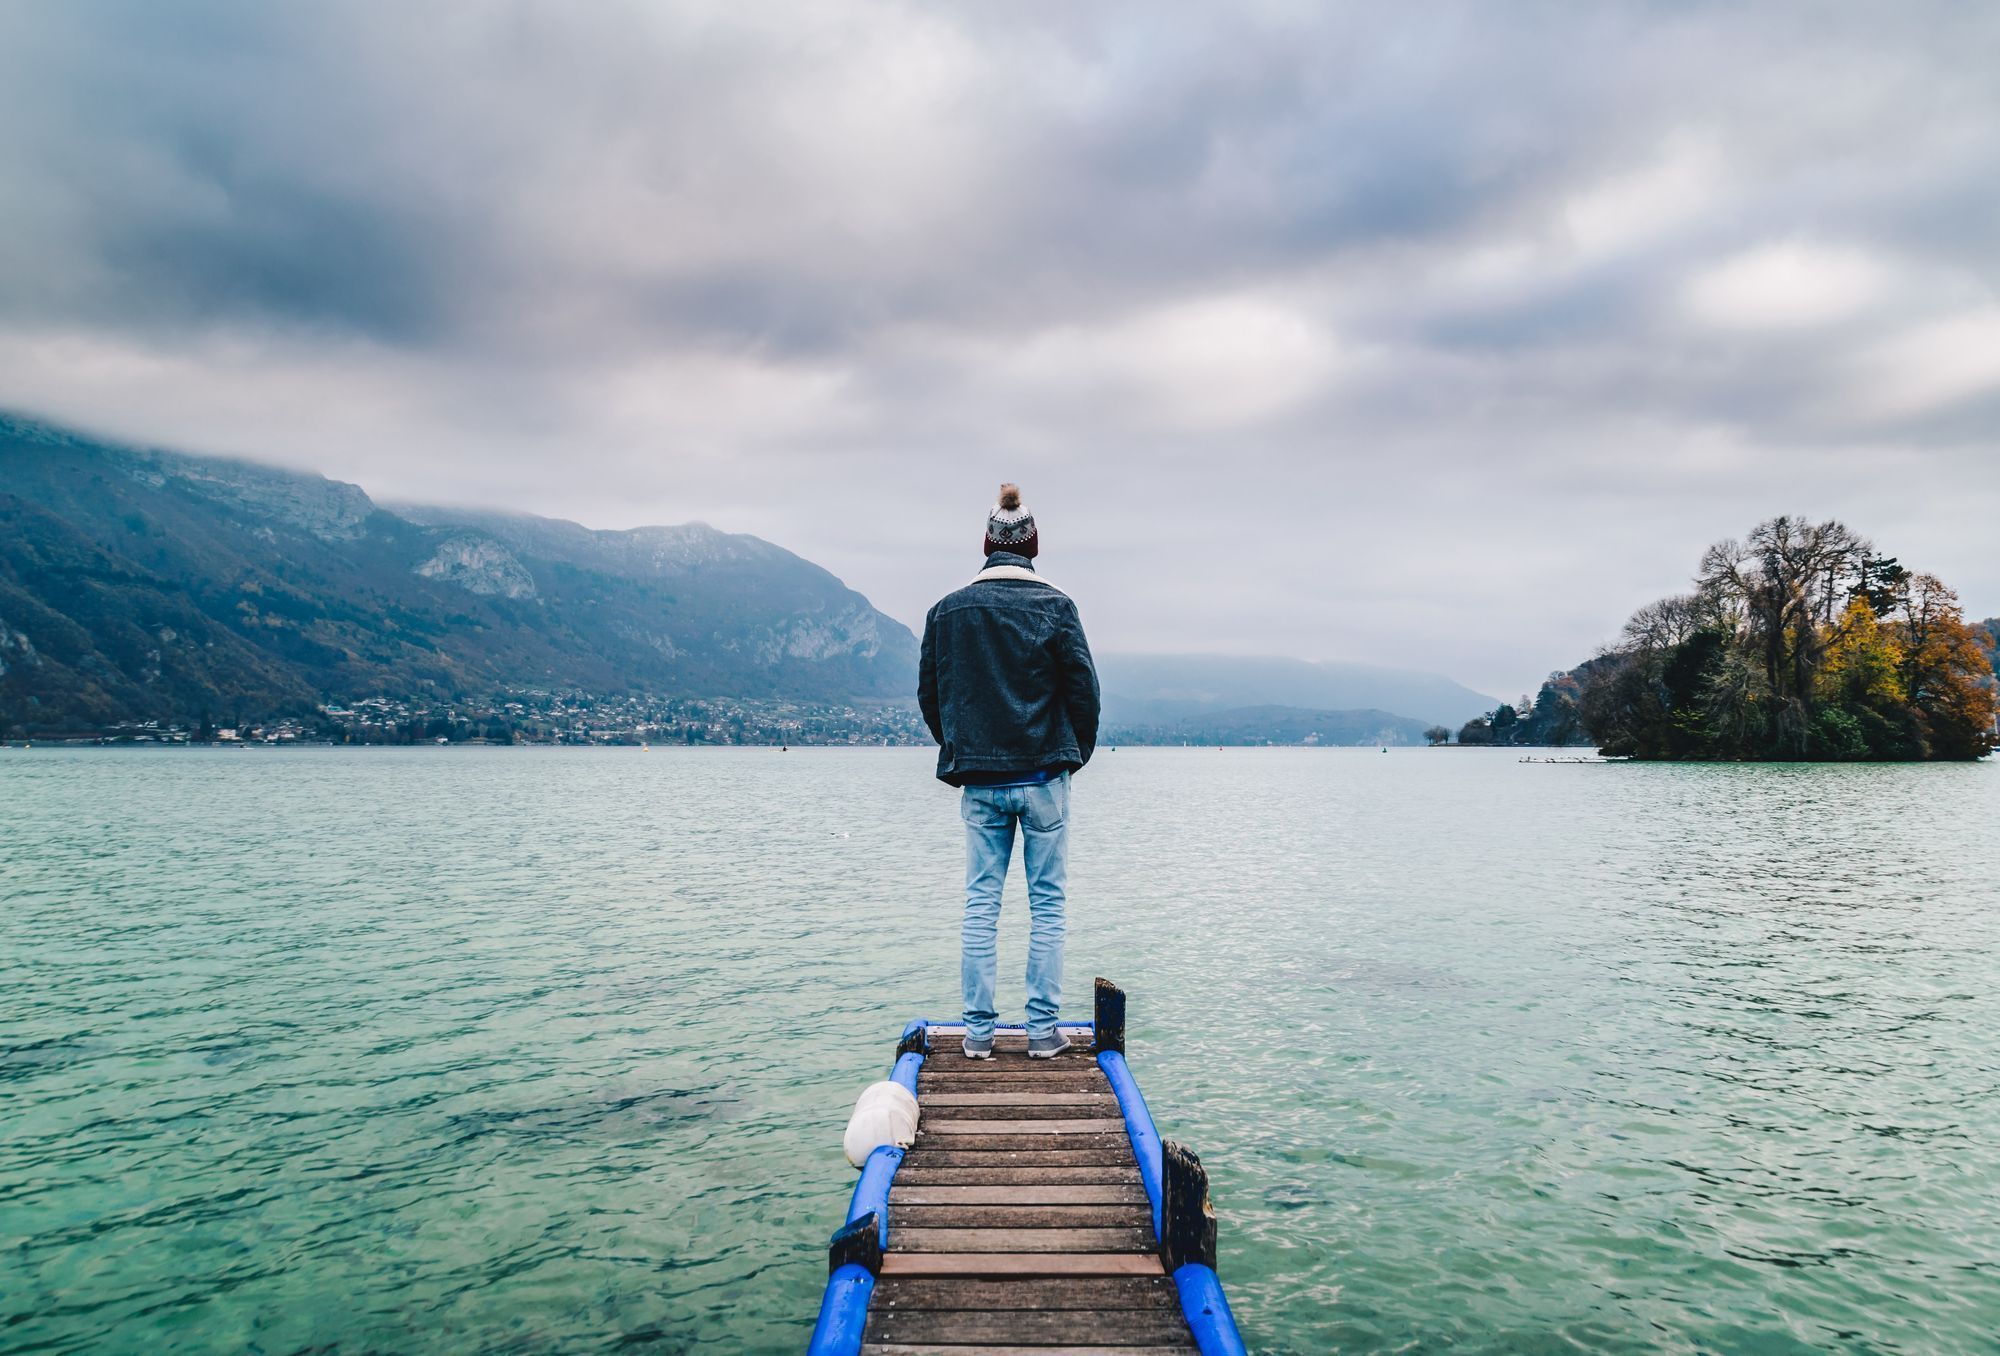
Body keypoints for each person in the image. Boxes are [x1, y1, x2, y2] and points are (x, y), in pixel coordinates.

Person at [918, 484, 1100, 1060]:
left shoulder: (947, 612)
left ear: (986, 543)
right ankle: (1043, 1035)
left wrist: (963, 747)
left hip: (981, 782)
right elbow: (1084, 695)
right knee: (1047, 905)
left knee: (981, 904)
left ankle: (976, 1037)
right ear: (1034, 545)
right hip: (1046, 776)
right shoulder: (1058, 607)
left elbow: (930, 695)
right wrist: (1072, 755)